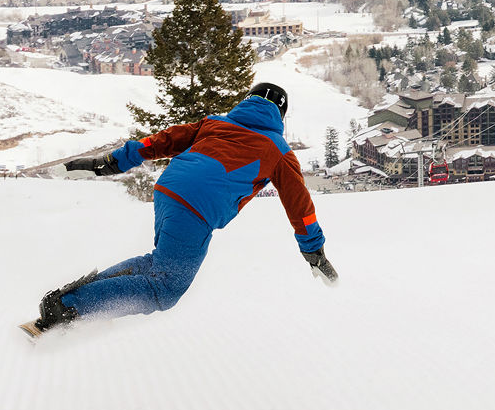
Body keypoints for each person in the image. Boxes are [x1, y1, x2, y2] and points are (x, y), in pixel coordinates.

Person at [25, 83, 337, 337]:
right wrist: (315, 252)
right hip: (196, 207)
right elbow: (301, 207)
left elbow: (161, 141)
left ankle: (82, 298)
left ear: (246, 101)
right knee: (165, 288)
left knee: (156, 264)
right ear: (281, 116)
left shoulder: (215, 123)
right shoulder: (278, 150)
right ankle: (71, 308)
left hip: (168, 191)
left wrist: (110, 163)